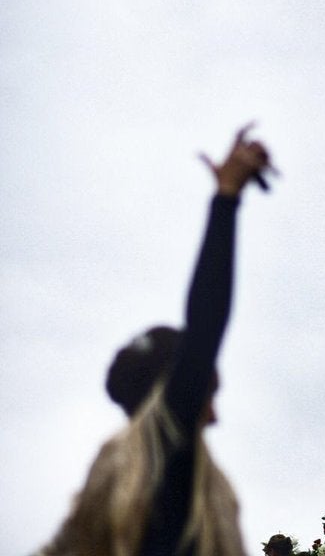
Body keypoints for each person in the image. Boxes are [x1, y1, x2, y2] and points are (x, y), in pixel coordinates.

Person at [39, 124, 272, 556]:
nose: (215, 416)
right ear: (174, 391)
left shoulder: (109, 483)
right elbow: (206, 324)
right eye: (206, 394)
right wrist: (226, 198)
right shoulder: (166, 447)